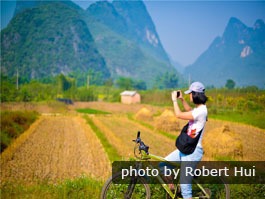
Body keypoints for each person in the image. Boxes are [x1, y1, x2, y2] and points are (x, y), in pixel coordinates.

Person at [161, 81, 208, 199]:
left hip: (193, 151)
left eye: (190, 93)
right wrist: (182, 99)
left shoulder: (201, 111)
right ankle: (172, 189)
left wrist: (174, 100)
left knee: (185, 187)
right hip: (187, 148)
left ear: (195, 94)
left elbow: (179, 114)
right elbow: (190, 111)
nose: (189, 95)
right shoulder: (199, 109)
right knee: (163, 165)